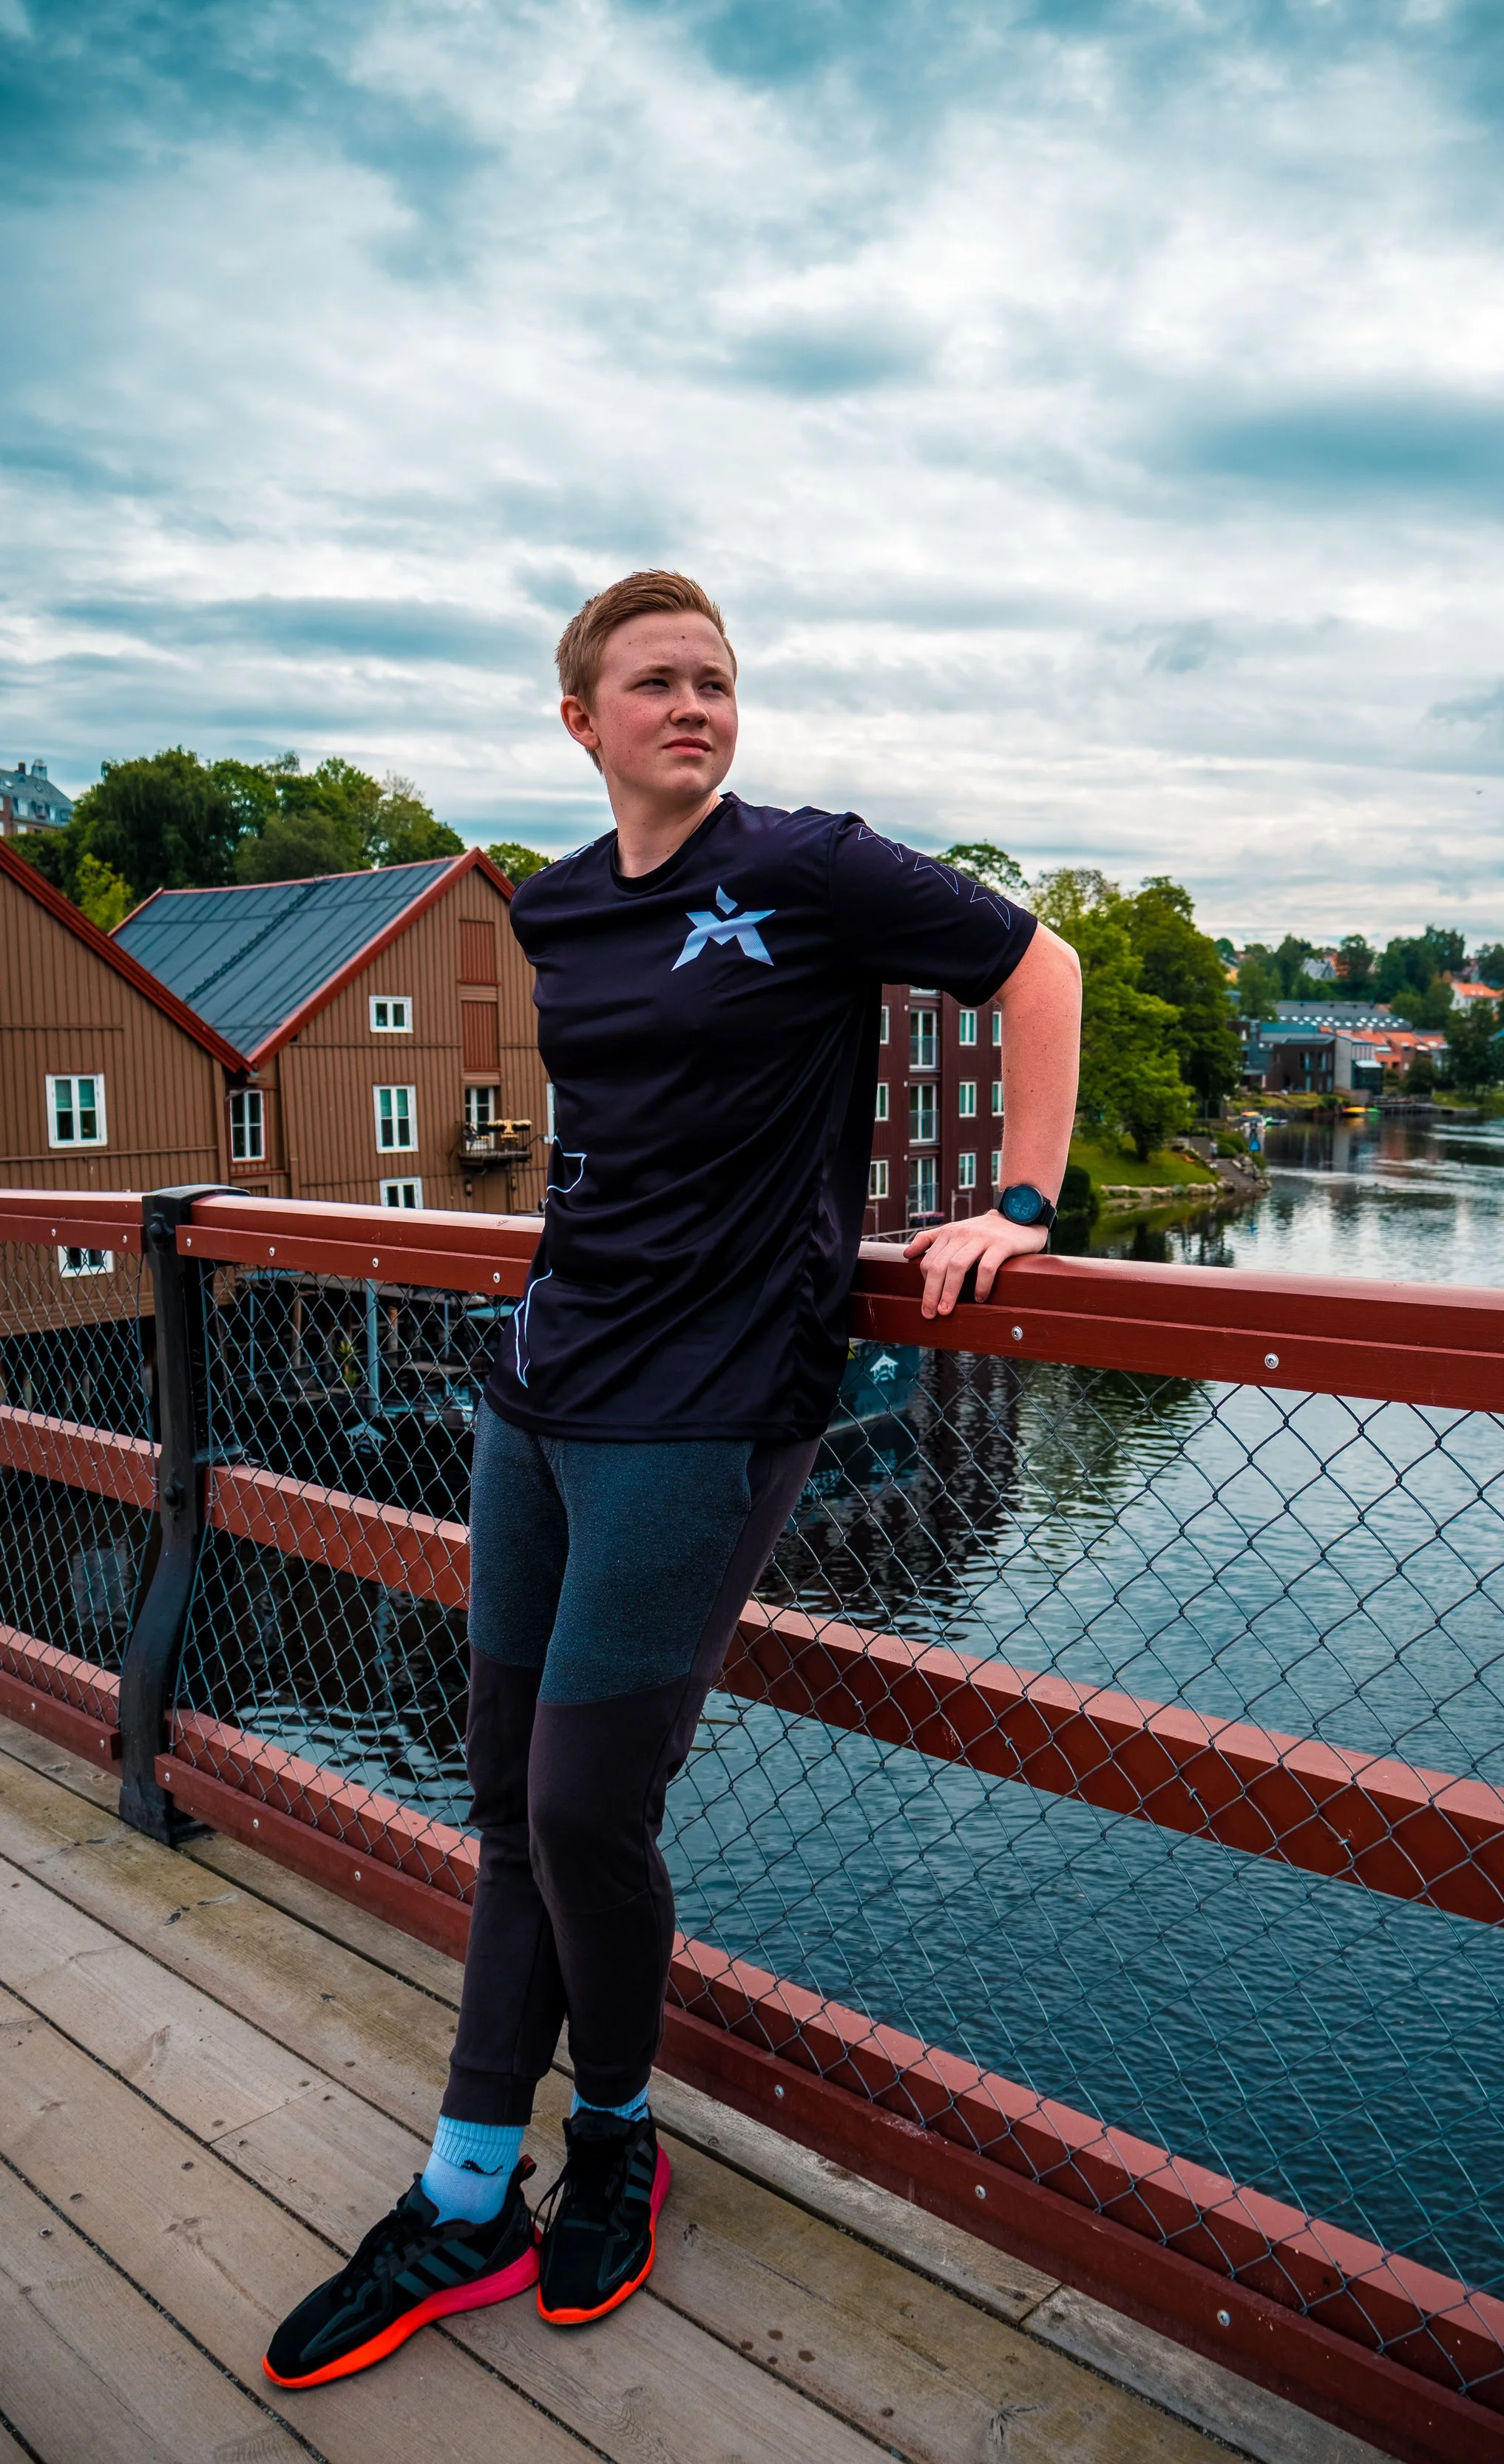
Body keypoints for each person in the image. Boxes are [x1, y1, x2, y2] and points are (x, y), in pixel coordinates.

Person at [265, 570, 1083, 2386]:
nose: (694, 705)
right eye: (655, 684)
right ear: (583, 720)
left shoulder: (812, 868)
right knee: (503, 1792)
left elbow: (1043, 966)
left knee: (579, 1808)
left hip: (712, 1407)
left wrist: (1020, 1203)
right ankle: (470, 2189)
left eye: (716, 680)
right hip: (539, 1389)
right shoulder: (556, 907)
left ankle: (616, 2137)